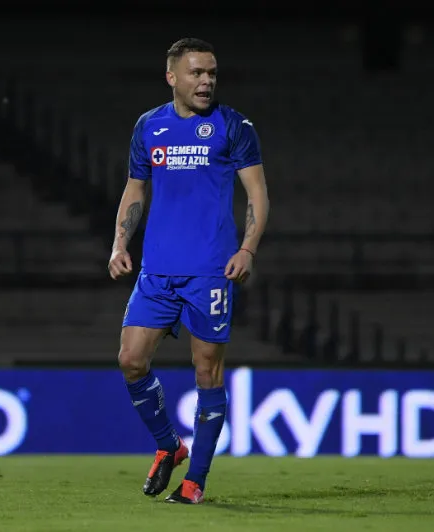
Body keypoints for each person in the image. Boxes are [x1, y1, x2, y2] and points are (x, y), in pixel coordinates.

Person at [107, 37, 269, 504]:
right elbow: (135, 189)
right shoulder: (148, 126)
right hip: (157, 271)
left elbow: (258, 195)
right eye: (197, 73)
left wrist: (248, 249)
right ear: (172, 77)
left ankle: (195, 481)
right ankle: (168, 446)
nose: (206, 82)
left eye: (212, 73)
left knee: (207, 373)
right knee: (131, 360)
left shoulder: (234, 126)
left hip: (210, 271)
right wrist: (120, 242)